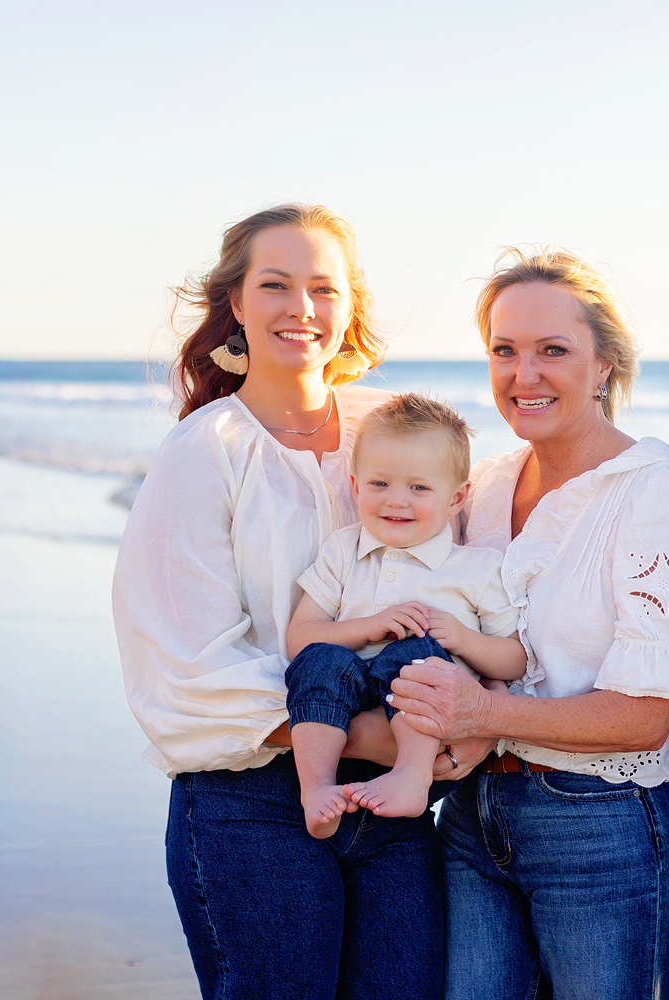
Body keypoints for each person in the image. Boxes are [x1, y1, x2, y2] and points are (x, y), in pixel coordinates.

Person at [113, 205, 481, 999]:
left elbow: (486, 550)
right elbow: (185, 671)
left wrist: (474, 720)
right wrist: (378, 738)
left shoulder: (385, 432)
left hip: (393, 811)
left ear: (350, 307)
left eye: (324, 287)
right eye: (275, 285)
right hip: (252, 804)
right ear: (237, 304)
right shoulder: (206, 450)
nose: (302, 308)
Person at [388, 248, 669, 1000]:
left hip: (604, 827)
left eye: (552, 351)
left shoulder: (660, 494)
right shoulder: (488, 483)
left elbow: (645, 718)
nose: (523, 374)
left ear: (604, 363)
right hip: (474, 820)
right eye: (504, 351)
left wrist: (480, 712)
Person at [282, 393, 527, 836]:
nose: (397, 501)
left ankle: (412, 778)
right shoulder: (344, 550)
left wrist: (461, 639)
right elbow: (299, 639)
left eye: (418, 487)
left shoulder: (476, 568)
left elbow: (515, 660)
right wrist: (369, 626)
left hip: (425, 712)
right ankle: (315, 788)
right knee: (318, 661)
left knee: (413, 652)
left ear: (456, 499)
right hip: (348, 695)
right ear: (355, 486)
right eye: (380, 484)